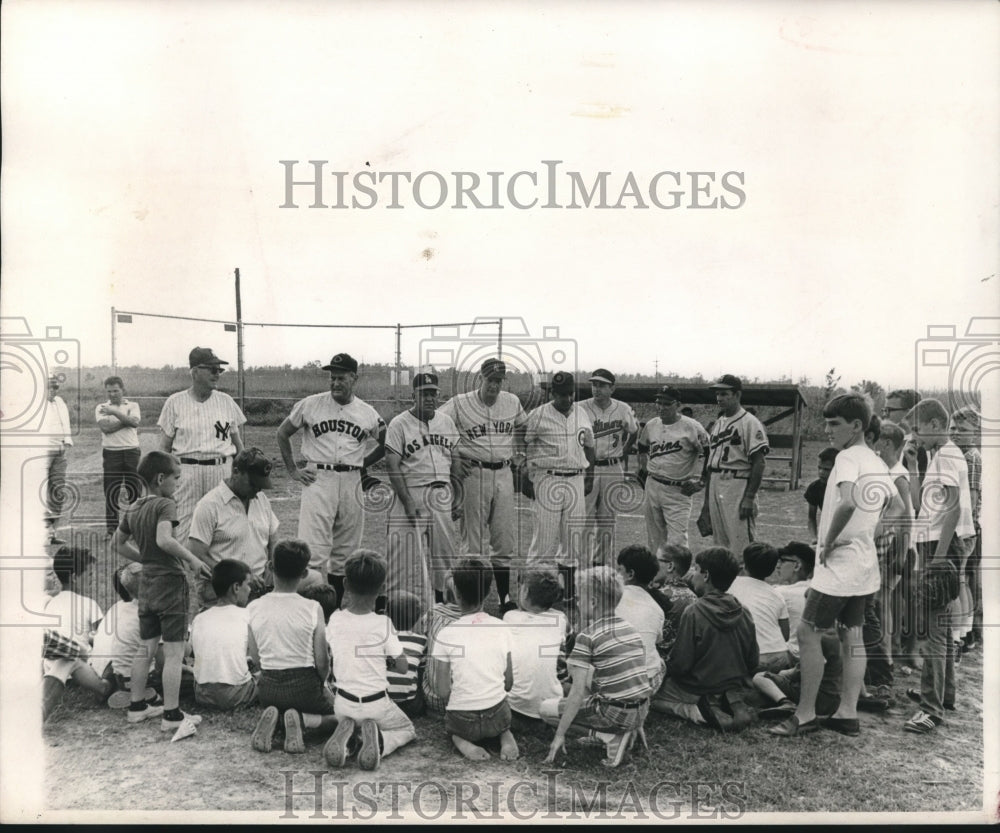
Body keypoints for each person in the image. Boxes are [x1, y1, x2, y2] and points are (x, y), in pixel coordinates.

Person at [770, 393, 904, 739]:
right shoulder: (874, 459)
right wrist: (869, 533)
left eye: (834, 424)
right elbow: (899, 507)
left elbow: (846, 503)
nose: (828, 430)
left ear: (856, 426)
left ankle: (805, 714)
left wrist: (828, 541)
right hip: (863, 565)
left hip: (839, 567)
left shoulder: (847, 458)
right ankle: (847, 712)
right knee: (851, 634)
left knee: (807, 633)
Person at [110, 451, 212, 734]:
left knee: (146, 646)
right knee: (175, 651)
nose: (177, 484)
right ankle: (171, 714)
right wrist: (192, 560)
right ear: (160, 478)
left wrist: (145, 560)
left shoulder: (132, 508)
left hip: (148, 584)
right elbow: (164, 539)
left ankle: (137, 707)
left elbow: (116, 545)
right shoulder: (166, 504)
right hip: (170, 583)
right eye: (175, 478)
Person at [277, 353, 386, 600]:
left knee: (345, 551)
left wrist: (363, 463)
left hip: (351, 481)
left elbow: (386, 444)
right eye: (332, 378)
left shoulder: (367, 412)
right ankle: (311, 609)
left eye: (341, 378)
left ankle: (333, 609)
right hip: (319, 478)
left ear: (354, 378)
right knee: (312, 549)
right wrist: (293, 470)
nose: (335, 383)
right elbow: (282, 433)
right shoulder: (311, 404)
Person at [902, 398, 974, 734]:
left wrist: (941, 556)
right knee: (941, 628)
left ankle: (930, 709)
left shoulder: (946, 455)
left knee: (932, 629)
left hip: (940, 546)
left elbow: (953, 509)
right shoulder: (942, 455)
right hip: (937, 544)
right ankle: (943, 695)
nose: (914, 436)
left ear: (933, 424)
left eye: (917, 429)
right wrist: (915, 466)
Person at [541, 566, 652, 768]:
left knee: (545, 710)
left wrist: (559, 735)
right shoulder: (630, 629)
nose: (576, 601)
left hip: (615, 713)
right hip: (642, 709)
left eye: (579, 597)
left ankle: (607, 737)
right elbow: (637, 676)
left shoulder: (588, 636)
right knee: (592, 675)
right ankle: (623, 730)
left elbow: (575, 694)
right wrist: (638, 722)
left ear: (592, 602)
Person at [439, 358, 528, 607]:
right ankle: (471, 599)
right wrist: (454, 458)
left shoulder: (511, 401)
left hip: (504, 473)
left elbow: (523, 426)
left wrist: (520, 452)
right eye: (491, 379)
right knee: (473, 544)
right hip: (474, 473)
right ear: (481, 377)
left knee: (503, 540)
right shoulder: (460, 402)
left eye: (499, 380)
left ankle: (504, 597)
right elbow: (437, 425)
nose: (495, 385)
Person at [321, 551, 417, 770]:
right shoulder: (383, 623)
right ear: (382, 589)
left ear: (345, 584)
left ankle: (350, 741)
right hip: (376, 704)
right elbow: (402, 667)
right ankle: (380, 743)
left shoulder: (335, 619)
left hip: (343, 703)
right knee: (407, 729)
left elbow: (330, 653)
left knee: (352, 716)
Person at [247, 540, 339, 753]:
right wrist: (322, 685)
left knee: (280, 701)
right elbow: (322, 660)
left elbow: (257, 657)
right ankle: (302, 719)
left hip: (268, 688)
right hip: (304, 686)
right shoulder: (313, 607)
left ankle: (278, 720)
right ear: (305, 573)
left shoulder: (253, 607)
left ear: (270, 567)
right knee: (343, 716)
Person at [651, 547, 758, 729]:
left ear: (706, 575)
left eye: (696, 569)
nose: (692, 575)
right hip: (733, 682)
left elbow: (681, 665)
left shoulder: (694, 611)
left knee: (648, 698)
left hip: (698, 687)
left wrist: (661, 666)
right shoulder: (743, 610)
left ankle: (698, 712)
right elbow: (753, 659)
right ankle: (730, 699)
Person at [384, 372, 463, 608]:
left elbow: (456, 459)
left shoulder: (446, 422)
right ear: (414, 395)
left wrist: (457, 496)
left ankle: (445, 607)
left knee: (445, 557)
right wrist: (407, 500)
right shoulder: (399, 423)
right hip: (412, 492)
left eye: (433, 393)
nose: (429, 398)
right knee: (401, 555)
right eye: (424, 393)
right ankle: (395, 609)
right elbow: (392, 464)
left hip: (442, 493)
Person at [429, 557, 518, 761]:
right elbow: (509, 684)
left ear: (456, 594)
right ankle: (505, 733)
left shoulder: (446, 634)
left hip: (462, 720)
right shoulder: (502, 627)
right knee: (501, 714)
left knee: (452, 728)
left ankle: (461, 741)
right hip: (498, 715)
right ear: (487, 593)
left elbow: (441, 691)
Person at [157, 347, 246, 545]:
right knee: (184, 526)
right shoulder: (175, 402)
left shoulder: (226, 401)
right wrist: (161, 482)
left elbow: (239, 445)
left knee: (224, 525)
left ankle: (220, 574)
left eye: (219, 370)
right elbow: (163, 449)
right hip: (187, 471)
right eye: (212, 369)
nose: (217, 374)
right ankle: (187, 574)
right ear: (195, 371)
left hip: (222, 469)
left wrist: (244, 474)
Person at [524, 371, 596, 602]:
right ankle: (533, 590)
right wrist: (526, 474)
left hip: (575, 477)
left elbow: (590, 446)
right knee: (544, 539)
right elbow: (521, 441)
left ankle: (567, 591)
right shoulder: (537, 415)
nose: (566, 398)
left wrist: (590, 475)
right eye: (561, 394)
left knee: (573, 536)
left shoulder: (582, 413)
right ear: (552, 393)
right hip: (548, 477)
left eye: (570, 394)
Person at [188, 447, 280, 609]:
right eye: (253, 483)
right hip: (221, 592)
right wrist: (237, 576)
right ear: (236, 472)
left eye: (261, 485)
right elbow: (197, 553)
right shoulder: (209, 505)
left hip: (257, 588)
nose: (257, 489)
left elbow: (273, 536)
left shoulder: (261, 499)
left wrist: (272, 567)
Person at [698, 375, 769, 559]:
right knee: (720, 544)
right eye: (717, 394)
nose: (719, 398)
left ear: (737, 395)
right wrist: (706, 505)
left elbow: (759, 462)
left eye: (724, 393)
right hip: (715, 481)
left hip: (737, 482)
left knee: (741, 543)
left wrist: (749, 497)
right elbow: (710, 466)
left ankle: (745, 584)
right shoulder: (719, 423)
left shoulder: (750, 422)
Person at [42, 547, 114, 720]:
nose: (92, 579)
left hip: (50, 667)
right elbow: (105, 638)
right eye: (89, 575)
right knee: (88, 660)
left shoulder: (52, 603)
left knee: (70, 657)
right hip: (77, 667)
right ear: (74, 578)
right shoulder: (88, 603)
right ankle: (104, 687)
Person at [578, 368, 639, 566]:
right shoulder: (580, 407)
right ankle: (579, 564)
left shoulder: (623, 408)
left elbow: (634, 431)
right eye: (594, 384)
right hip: (587, 468)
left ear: (612, 388)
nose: (597, 389)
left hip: (613, 467)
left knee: (607, 521)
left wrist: (625, 450)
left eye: (602, 385)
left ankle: (600, 564)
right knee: (583, 519)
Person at [637, 385, 709, 552]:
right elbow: (642, 446)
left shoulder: (692, 426)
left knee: (677, 541)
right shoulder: (652, 425)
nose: (661, 407)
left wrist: (702, 481)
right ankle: (657, 576)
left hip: (679, 489)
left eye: (667, 404)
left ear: (678, 405)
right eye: (659, 403)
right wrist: (643, 467)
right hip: (653, 484)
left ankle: (677, 577)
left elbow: (710, 453)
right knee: (655, 539)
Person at [190, 560, 257, 710]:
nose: (250, 589)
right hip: (236, 694)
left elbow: (196, 653)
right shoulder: (247, 615)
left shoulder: (199, 618)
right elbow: (259, 659)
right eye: (248, 584)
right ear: (236, 587)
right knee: (265, 677)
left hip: (202, 694)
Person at [503, 568, 567, 723]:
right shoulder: (561, 619)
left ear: (524, 593)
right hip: (551, 704)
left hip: (514, 703)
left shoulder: (510, 617)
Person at [729, 543, 790, 672]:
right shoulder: (777, 594)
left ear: (744, 564)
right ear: (773, 569)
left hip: (752, 657)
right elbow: (785, 634)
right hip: (780, 655)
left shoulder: (732, 583)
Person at [949, 406, 982, 651]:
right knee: (961, 579)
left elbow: (969, 497)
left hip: (964, 527)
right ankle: (966, 632)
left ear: (975, 432)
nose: (956, 433)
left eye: (962, 430)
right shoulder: (959, 454)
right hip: (964, 526)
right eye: (953, 428)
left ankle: (959, 636)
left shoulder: (971, 457)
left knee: (958, 580)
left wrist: (958, 529)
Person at [614, 545, 666, 690]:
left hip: (611, 681)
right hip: (646, 683)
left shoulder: (611, 599)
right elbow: (657, 640)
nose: (616, 574)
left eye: (619, 570)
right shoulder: (657, 609)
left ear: (630, 574)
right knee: (660, 663)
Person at [95, 375, 142, 535]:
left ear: (123, 390)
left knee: (134, 491)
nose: (112, 394)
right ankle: (112, 530)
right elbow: (106, 429)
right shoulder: (101, 407)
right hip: (111, 453)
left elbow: (135, 423)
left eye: (115, 391)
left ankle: (137, 528)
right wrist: (125, 420)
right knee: (111, 492)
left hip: (131, 451)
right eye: (109, 391)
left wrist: (114, 412)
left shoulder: (133, 405)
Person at [384, 590, 427, 717]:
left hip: (381, 700)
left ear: (387, 616)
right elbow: (421, 672)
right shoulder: (422, 641)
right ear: (417, 619)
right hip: (409, 705)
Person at [771, 542, 815, 661]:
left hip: (792, 654)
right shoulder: (816, 588)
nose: (778, 566)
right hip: (815, 653)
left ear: (797, 566)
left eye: (783, 561)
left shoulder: (781, 593)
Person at [43, 375, 74, 544]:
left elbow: (65, 423)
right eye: (50, 387)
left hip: (59, 451)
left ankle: (52, 533)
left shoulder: (60, 402)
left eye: (55, 387)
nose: (53, 390)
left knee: (58, 491)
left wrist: (66, 441)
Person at [651, 544, 697, 655]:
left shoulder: (657, 597)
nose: (651, 565)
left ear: (670, 566)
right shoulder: (694, 598)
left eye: (655, 560)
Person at [804, 448, 838, 542]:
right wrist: (814, 538)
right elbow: (811, 517)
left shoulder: (844, 488)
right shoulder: (814, 488)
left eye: (826, 469)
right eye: (819, 468)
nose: (821, 472)